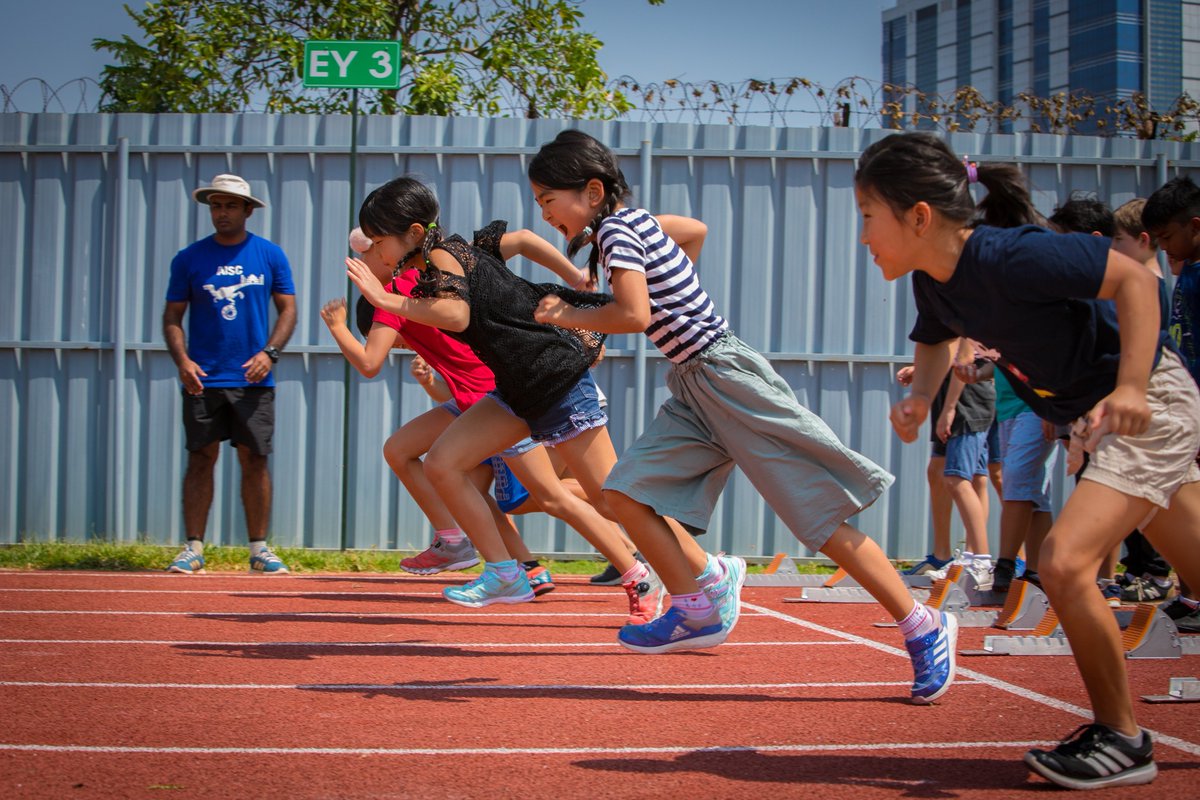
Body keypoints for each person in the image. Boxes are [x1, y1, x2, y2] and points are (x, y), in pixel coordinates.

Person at [527, 129, 956, 707]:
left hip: (726, 377)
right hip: (693, 385)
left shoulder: (618, 231)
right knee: (623, 493)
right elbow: (690, 235)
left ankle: (923, 626)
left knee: (818, 516)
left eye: (548, 199)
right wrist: (665, 280)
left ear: (593, 190)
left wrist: (567, 311)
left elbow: (632, 312)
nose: (545, 212)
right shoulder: (633, 226)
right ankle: (700, 601)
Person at [855, 131, 1200, 789]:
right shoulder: (937, 283)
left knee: (1065, 563)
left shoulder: (1013, 257)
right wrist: (921, 396)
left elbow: (1136, 282)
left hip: (1147, 399)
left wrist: (1128, 387)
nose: (864, 236)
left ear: (919, 217)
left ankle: (1122, 737)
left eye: (869, 217)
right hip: (1097, 414)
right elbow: (935, 340)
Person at [345, 177, 676, 623]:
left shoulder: (444, 256)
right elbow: (512, 248)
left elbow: (455, 314)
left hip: (554, 378)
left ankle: (680, 573)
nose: (375, 251)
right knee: (444, 463)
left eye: (379, 241)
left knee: (609, 498)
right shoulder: (440, 261)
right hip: (515, 389)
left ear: (415, 234)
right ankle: (507, 572)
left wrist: (386, 299)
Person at [162, 174, 297, 574]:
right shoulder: (188, 259)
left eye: (230, 205)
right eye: (216, 205)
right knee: (200, 459)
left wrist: (269, 354)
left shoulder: (270, 255)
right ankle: (193, 549)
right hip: (202, 379)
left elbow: (288, 309)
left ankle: (259, 549)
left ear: (247, 210)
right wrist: (183, 361)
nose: (222, 213)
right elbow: (172, 316)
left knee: (255, 460)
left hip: (254, 380)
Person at [1141, 179, 1200, 631]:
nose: (1164, 250)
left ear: (1194, 227)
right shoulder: (1188, 274)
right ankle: (1191, 592)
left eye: (1167, 239)